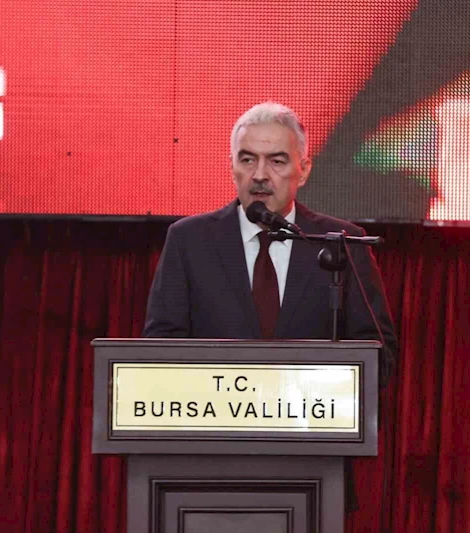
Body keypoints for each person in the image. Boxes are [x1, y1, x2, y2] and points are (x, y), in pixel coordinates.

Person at [143, 101, 397, 380]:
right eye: (247, 160)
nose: (260, 175)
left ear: (303, 170)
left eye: (276, 161)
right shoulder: (189, 241)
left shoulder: (342, 244)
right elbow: (160, 349)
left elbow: (378, 355)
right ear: (232, 167)